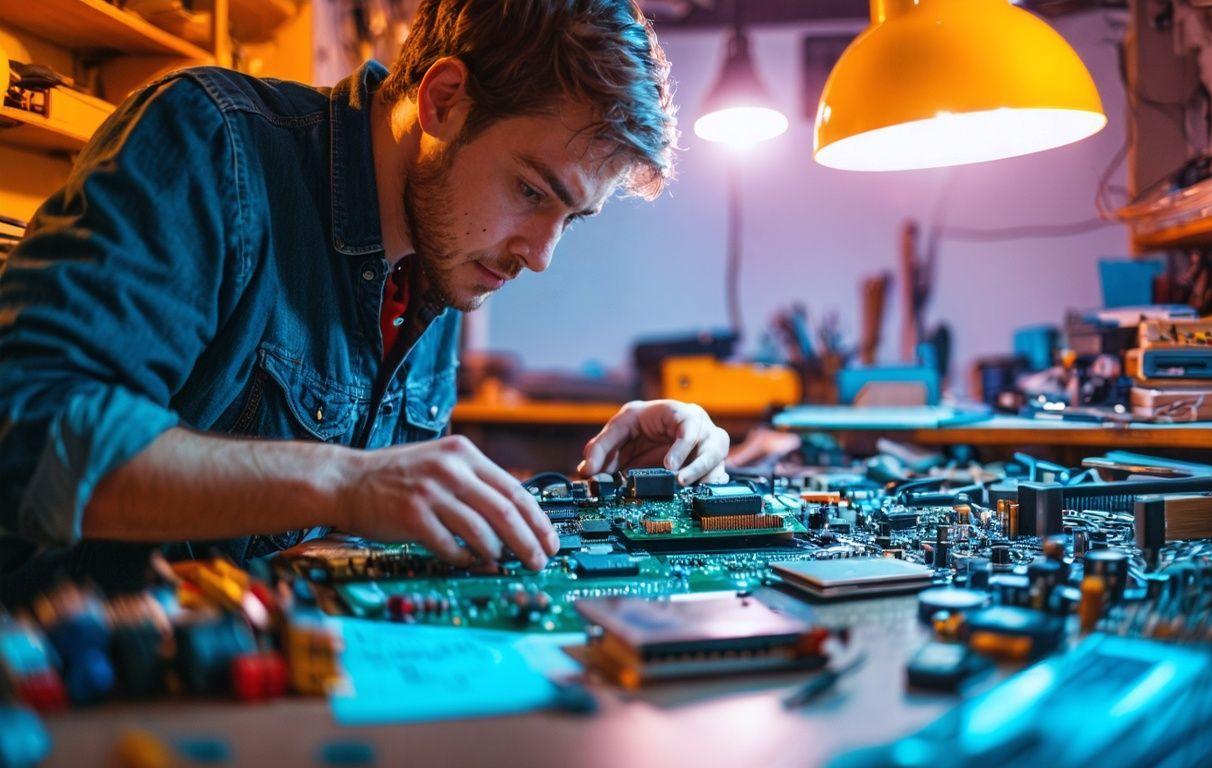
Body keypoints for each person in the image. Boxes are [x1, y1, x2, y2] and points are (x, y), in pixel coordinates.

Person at [0, 0, 729, 602]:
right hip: (82, 685)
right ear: (444, 101)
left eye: (570, 218)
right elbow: (28, 429)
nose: (539, 255)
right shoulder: (212, 142)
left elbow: (390, 501)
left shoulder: (442, 258)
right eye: (532, 192)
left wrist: (620, 489)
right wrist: (341, 482)